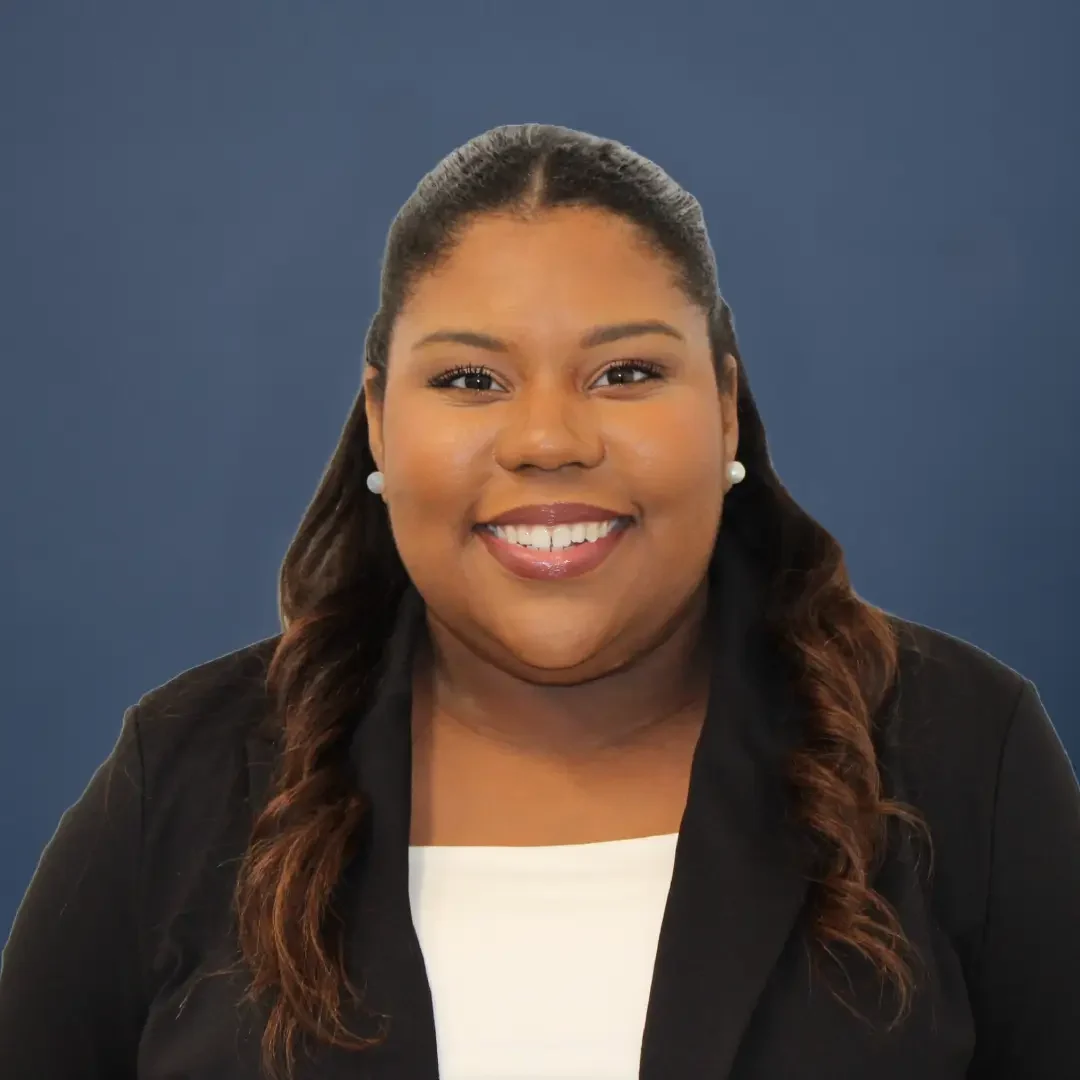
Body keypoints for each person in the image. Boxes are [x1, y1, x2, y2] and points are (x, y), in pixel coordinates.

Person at [1, 123, 1077, 1080]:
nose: (550, 440)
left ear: (726, 406)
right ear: (379, 420)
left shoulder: (957, 757)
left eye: (626, 374)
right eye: (471, 380)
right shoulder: (186, 776)